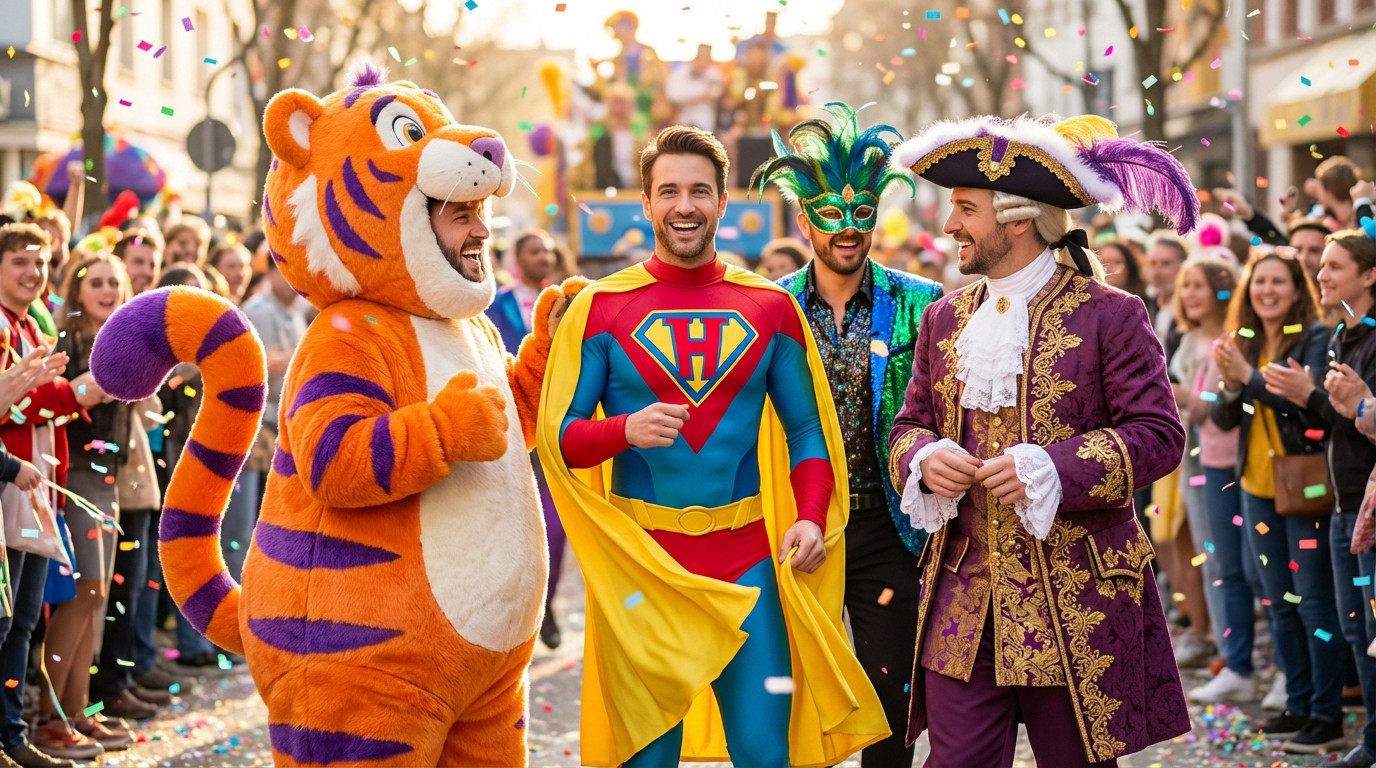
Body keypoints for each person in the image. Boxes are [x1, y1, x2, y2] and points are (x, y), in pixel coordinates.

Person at [537, 124, 887, 767]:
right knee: (647, 759)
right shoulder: (601, 309)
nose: (685, 205)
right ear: (645, 203)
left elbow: (808, 431)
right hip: (644, 572)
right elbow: (560, 439)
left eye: (700, 190)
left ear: (725, 202)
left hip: (748, 566)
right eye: (668, 191)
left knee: (763, 754)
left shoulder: (770, 307)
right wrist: (624, 430)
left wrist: (810, 516)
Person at [887, 114, 1197, 767]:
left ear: (1018, 219)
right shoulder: (944, 317)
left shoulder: (1110, 314)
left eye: (965, 210)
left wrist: (1052, 467)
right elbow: (909, 423)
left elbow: (1160, 436)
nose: (950, 226)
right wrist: (923, 457)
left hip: (1076, 596)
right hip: (963, 602)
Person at [751, 102, 942, 767]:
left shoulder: (925, 301)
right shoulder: (769, 305)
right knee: (791, 696)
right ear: (805, 221)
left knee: (890, 702)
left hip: (890, 529)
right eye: (832, 214)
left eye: (862, 213)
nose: (849, 228)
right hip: (795, 525)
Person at [1211, 248, 1340, 752]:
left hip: (1303, 486)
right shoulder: (1244, 339)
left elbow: (1305, 409)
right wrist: (1230, 385)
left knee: (1312, 603)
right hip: (1256, 487)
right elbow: (1225, 419)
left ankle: (1327, 714)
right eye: (1259, 281)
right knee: (1279, 604)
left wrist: (1250, 378)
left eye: (1278, 282)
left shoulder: (1314, 339)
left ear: (1296, 290)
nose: (1267, 290)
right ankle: (1299, 704)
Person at [1259, 229, 1376, 764]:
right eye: (1321, 266)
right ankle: (1370, 737)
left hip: (1367, 504)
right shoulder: (1338, 336)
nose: (1321, 275)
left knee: (1370, 632)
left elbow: (1358, 419)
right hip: (1340, 504)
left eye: (1334, 267)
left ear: (1369, 276)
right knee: (1356, 629)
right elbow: (1334, 424)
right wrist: (1309, 399)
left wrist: (1313, 396)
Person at [0, 223, 102, 768]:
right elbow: (16, 406)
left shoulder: (31, 322)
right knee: (4, 621)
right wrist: (74, 393)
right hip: (7, 493)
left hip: (37, 493)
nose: (34, 272)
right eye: (20, 261)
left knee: (21, 622)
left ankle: (12, 735)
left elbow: (36, 399)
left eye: (39, 262)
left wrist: (84, 388)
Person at [38, 254, 141, 754]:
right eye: (95, 283)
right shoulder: (70, 342)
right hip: (77, 477)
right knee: (81, 599)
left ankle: (77, 713)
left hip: (110, 482)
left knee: (96, 600)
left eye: (113, 283)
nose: (105, 290)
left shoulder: (120, 340)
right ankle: (49, 718)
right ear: (77, 292)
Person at [486, 228, 567, 648]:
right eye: (535, 251)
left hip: (557, 427)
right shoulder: (495, 305)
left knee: (554, 528)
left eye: (548, 250)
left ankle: (545, 603)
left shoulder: (570, 306)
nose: (544, 257)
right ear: (519, 259)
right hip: (513, 424)